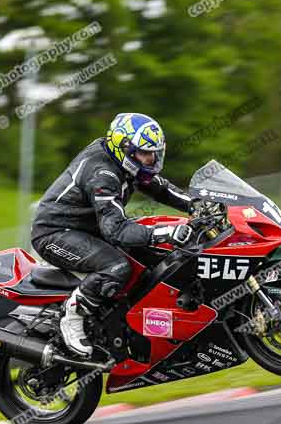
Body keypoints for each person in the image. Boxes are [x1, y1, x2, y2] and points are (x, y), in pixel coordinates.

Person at [31, 113, 194, 356]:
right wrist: (164, 233)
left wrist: (197, 205)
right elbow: (115, 230)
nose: (151, 160)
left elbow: (159, 188)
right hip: (55, 233)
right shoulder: (102, 174)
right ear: (124, 149)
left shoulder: (125, 162)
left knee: (146, 256)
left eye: (155, 154)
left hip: (86, 228)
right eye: (145, 154)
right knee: (116, 267)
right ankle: (72, 316)